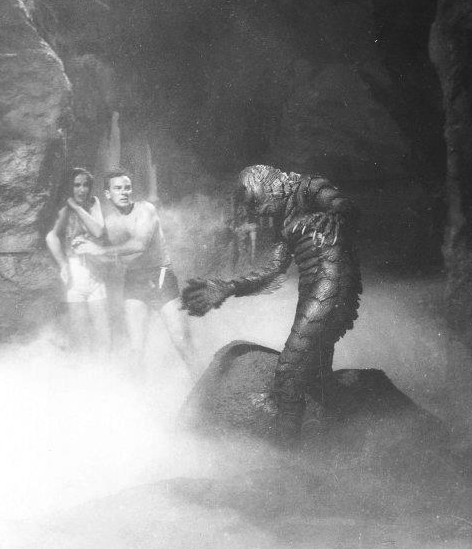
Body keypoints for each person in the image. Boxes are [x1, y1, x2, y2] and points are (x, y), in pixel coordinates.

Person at [181, 164, 362, 446]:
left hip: (331, 285)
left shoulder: (307, 187)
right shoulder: (284, 223)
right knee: (315, 377)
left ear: (268, 185)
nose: (256, 212)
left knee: (289, 372)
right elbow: (273, 272)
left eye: (255, 202)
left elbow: (344, 206)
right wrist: (229, 287)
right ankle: (337, 443)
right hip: (313, 292)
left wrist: (336, 215)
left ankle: (285, 455)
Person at [73, 169, 194, 373]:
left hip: (160, 276)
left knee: (182, 342)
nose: (124, 192)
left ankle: (205, 386)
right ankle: (139, 392)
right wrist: (84, 246)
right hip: (134, 280)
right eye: (118, 188)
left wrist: (99, 249)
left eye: (127, 188)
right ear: (108, 193)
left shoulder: (145, 210)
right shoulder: (109, 222)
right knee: (136, 350)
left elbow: (139, 244)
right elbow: (110, 257)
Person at [44, 168, 111, 354]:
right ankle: (84, 369)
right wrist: (63, 264)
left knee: (103, 334)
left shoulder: (94, 203)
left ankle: (106, 369)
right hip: (75, 277)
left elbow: (98, 231)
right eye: (77, 185)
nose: (82, 190)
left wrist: (76, 207)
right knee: (82, 336)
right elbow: (51, 237)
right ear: (70, 187)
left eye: (85, 185)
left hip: (96, 275)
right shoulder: (64, 210)